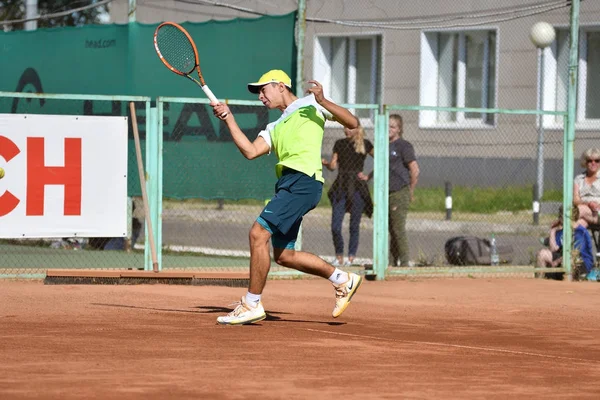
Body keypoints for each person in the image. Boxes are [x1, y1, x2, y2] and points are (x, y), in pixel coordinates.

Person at [210, 69, 363, 325]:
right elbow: (249, 151)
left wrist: (324, 101)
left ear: (280, 86)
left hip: (303, 181)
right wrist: (228, 119)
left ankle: (252, 303)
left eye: (263, 89)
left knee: (258, 234)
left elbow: (352, 122)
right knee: (284, 255)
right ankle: (342, 280)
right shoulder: (274, 126)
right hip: (288, 185)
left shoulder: (311, 104)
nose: (260, 96)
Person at [322, 124, 374, 267]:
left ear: (357, 128)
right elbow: (333, 166)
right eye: (345, 127)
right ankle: (339, 256)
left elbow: (383, 159)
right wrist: (326, 164)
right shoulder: (339, 143)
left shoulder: (365, 144)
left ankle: (350, 258)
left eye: (350, 127)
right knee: (335, 226)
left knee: (354, 225)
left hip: (357, 187)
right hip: (341, 186)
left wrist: (369, 176)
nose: (346, 130)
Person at [388, 114, 419, 267]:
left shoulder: (404, 146)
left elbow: (415, 170)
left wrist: (410, 190)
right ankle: (391, 263)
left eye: (392, 126)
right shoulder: (384, 145)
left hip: (400, 191)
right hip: (385, 193)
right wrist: (368, 176)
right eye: (386, 126)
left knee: (398, 228)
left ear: (399, 129)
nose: (388, 129)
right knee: (390, 230)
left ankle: (405, 263)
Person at [536, 205, 595, 280]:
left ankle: (569, 285)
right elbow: (553, 249)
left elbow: (574, 254)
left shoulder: (580, 232)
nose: (559, 218)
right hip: (562, 260)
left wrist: (557, 262)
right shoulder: (562, 230)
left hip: (580, 265)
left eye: (560, 215)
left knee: (571, 260)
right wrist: (553, 230)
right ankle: (539, 282)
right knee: (542, 254)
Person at [573, 148, 600, 228]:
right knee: (578, 225)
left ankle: (554, 231)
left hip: (597, 213)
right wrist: (588, 204)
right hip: (584, 211)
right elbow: (576, 200)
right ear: (585, 162)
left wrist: (597, 205)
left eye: (597, 160)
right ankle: (557, 238)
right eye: (589, 161)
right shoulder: (579, 179)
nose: (593, 163)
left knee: (578, 210)